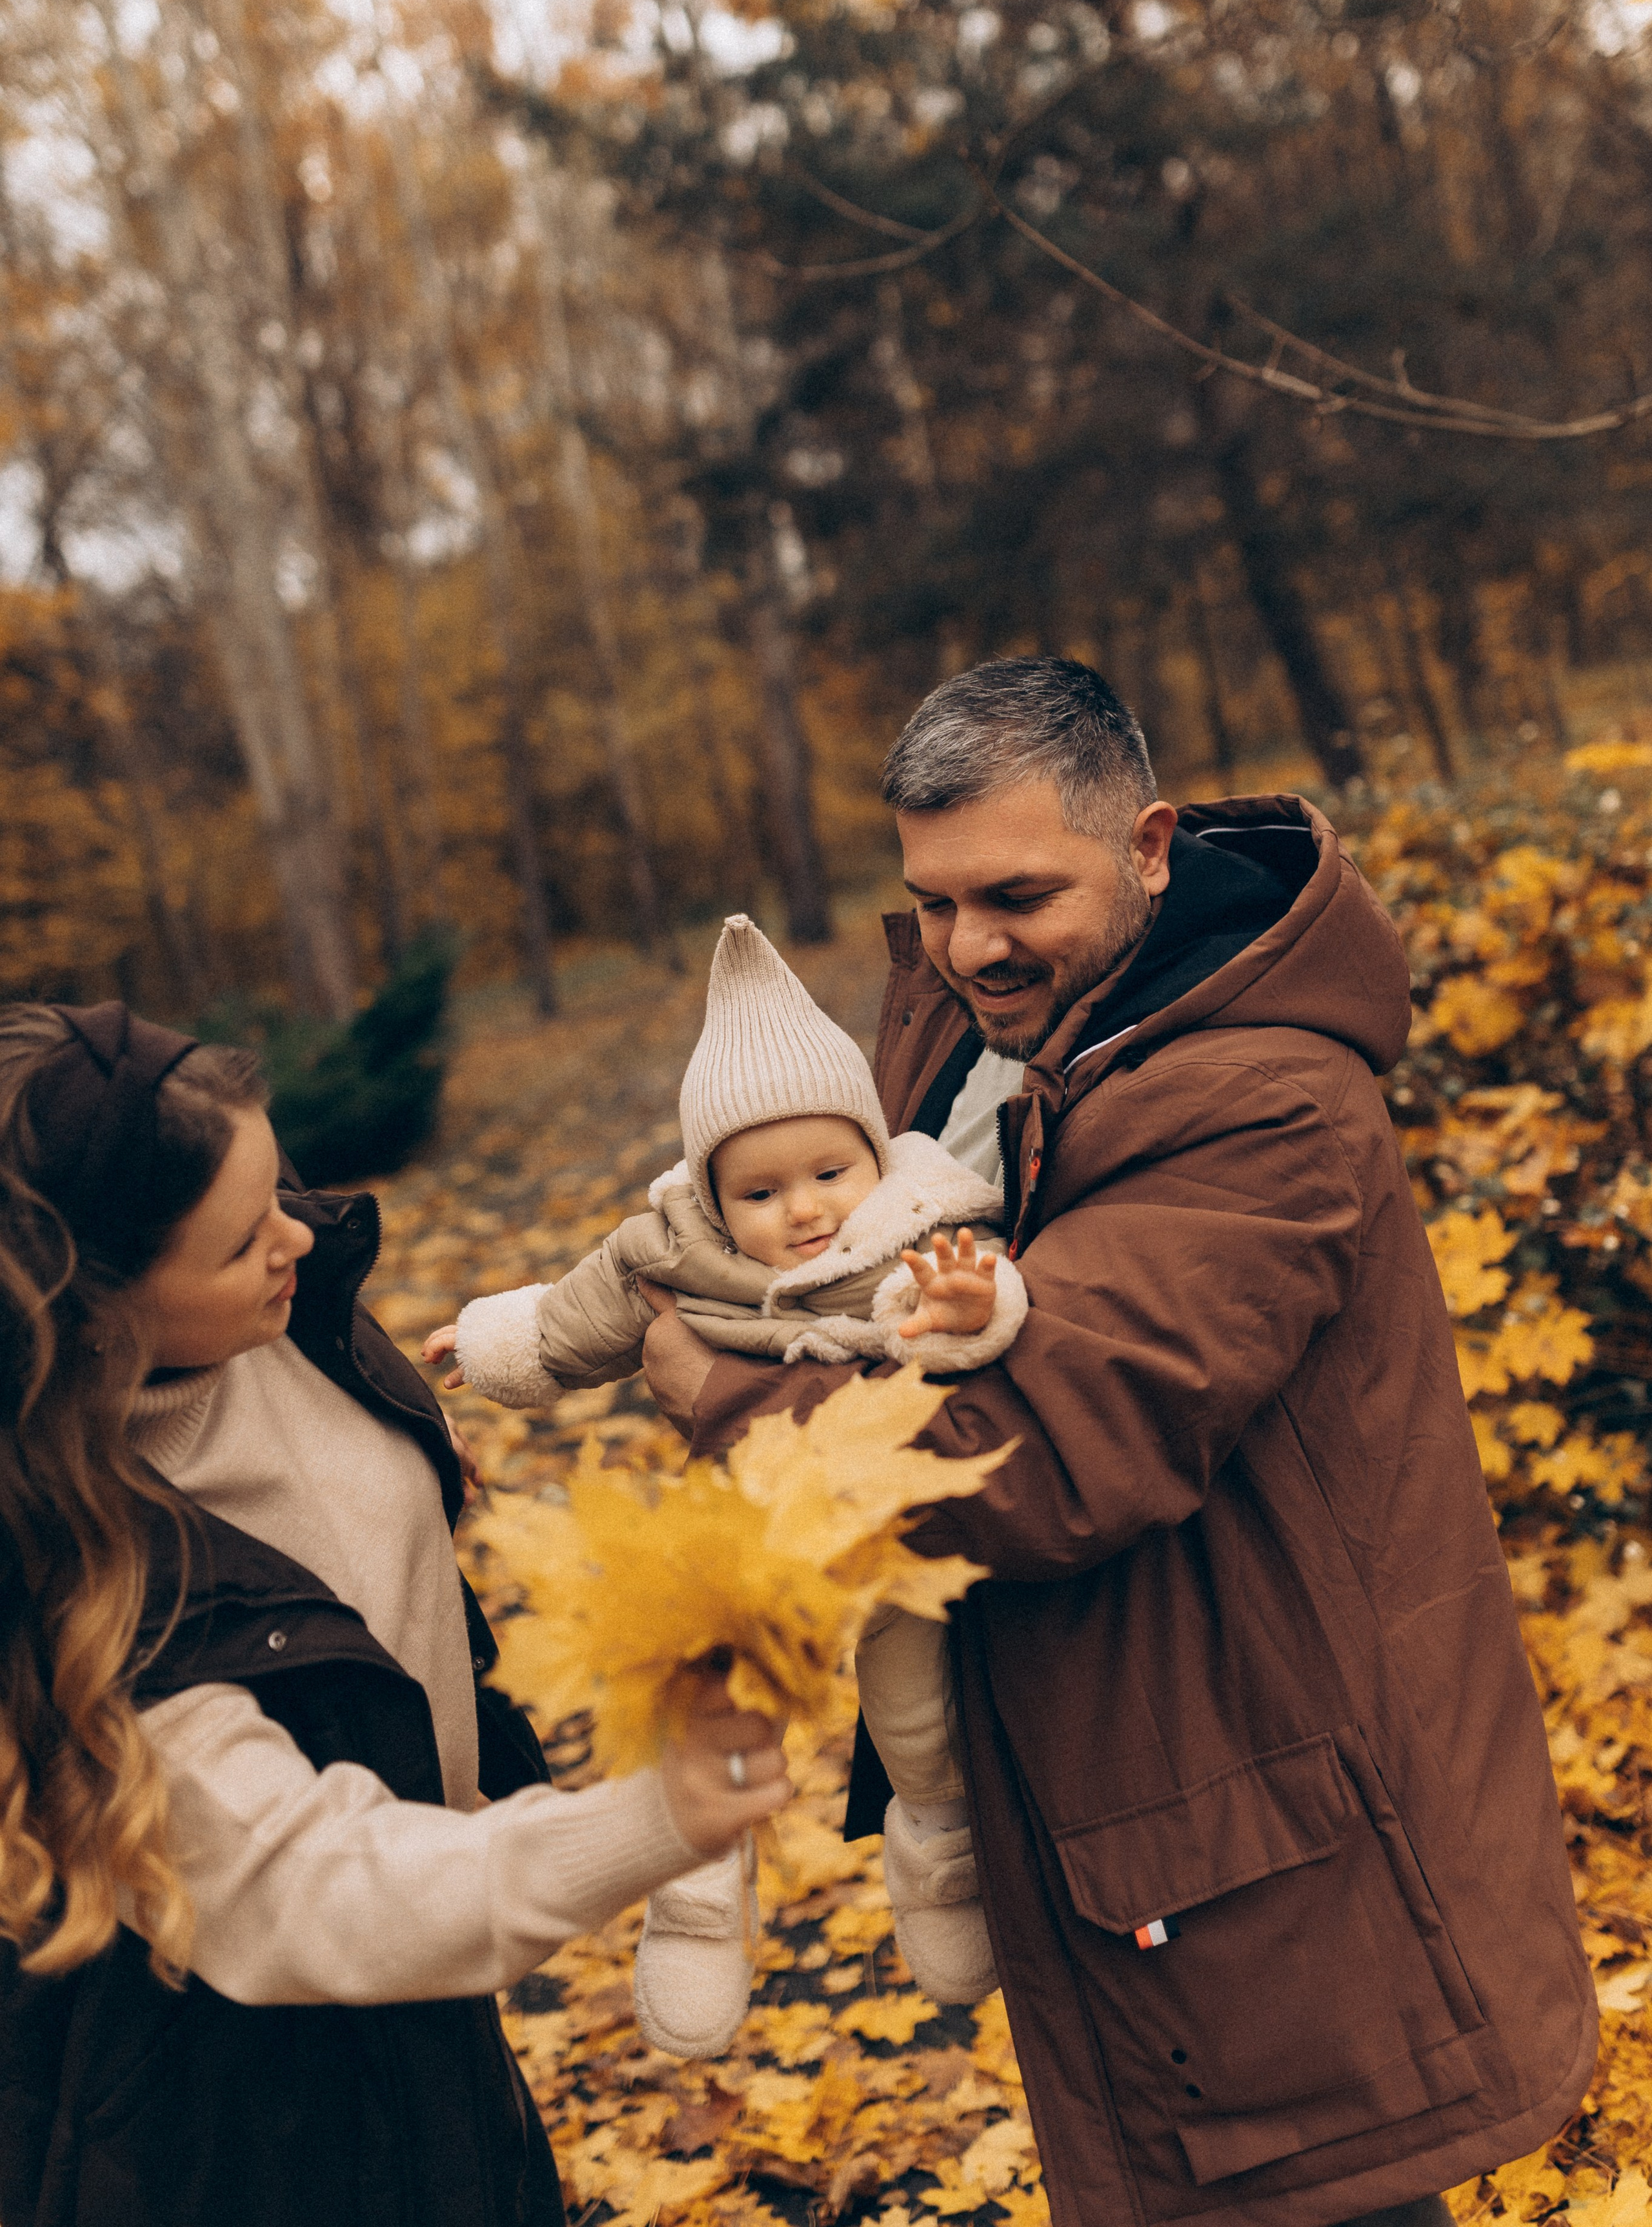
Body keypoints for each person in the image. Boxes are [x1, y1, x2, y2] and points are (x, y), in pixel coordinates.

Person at [640, 657, 1598, 2227]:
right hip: (1143, 1796)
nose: (966, 946)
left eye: (1014, 895)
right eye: (933, 902)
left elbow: (1027, 1449)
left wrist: (711, 1388)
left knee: (1323, 2201)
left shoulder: (1254, 1097)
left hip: (1266, 1822)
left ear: (1148, 845)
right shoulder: (981, 1054)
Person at [0, 1000, 789, 2227]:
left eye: (280, 1191)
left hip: (435, 2010)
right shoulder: (90, 1603)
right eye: (239, 1241)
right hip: (258, 2111)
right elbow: (320, 1888)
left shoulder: (263, 1301)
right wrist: (656, 1820)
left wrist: (409, 1470)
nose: (297, 1242)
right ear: (99, 1315)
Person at [426, 912, 1028, 2059]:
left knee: (919, 1715)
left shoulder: (924, 1223)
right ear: (711, 1194)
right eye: (760, 1193)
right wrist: (492, 1340)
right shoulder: (672, 1247)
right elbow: (575, 1317)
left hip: (886, 1527)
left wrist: (968, 1311)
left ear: (872, 1154)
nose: (802, 1210)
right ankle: (698, 1905)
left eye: (827, 1173)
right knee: (707, 1716)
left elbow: (991, 1298)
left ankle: (940, 1859)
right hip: (741, 1542)